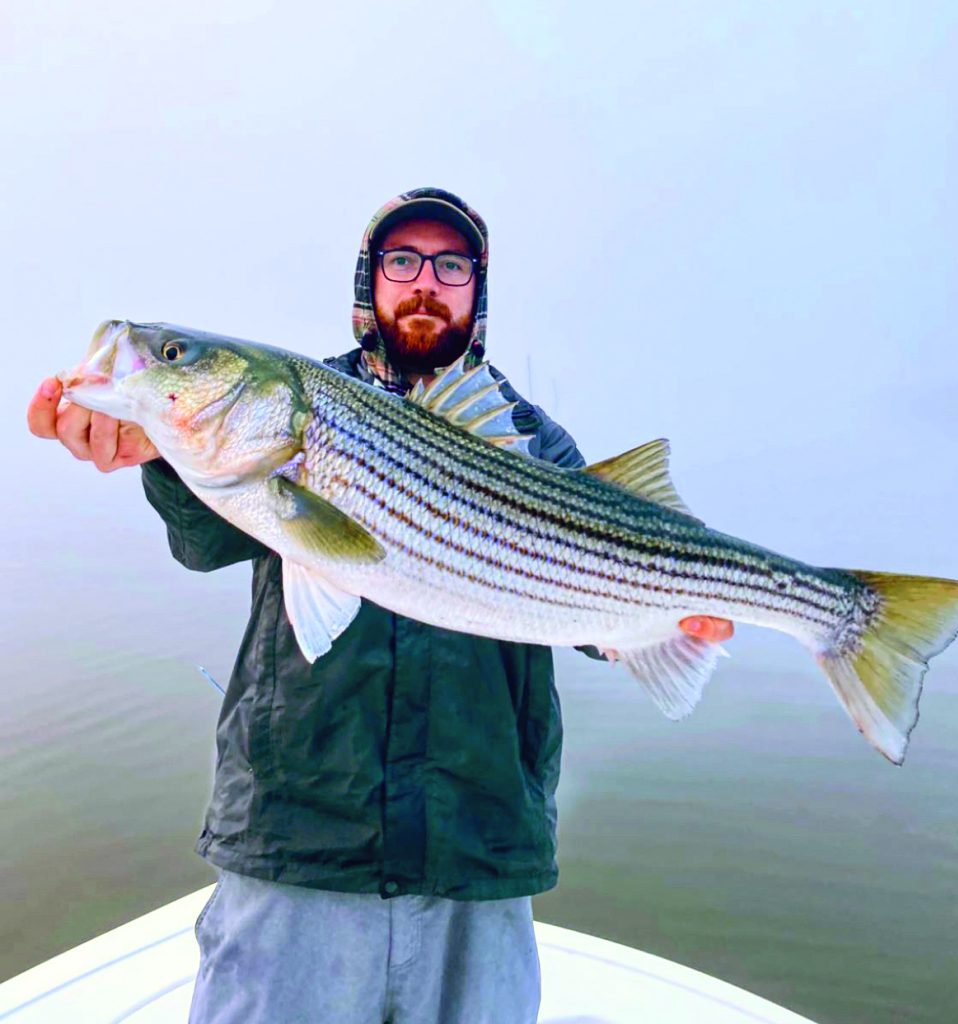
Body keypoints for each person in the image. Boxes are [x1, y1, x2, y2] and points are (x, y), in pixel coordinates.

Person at [27, 187, 733, 1023]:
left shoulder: (532, 440)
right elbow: (204, 542)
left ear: (477, 288)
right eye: (402, 262)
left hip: (478, 848)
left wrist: (656, 624)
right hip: (299, 837)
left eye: (451, 265)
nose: (425, 282)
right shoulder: (298, 405)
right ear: (371, 282)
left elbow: (586, 614)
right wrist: (161, 455)